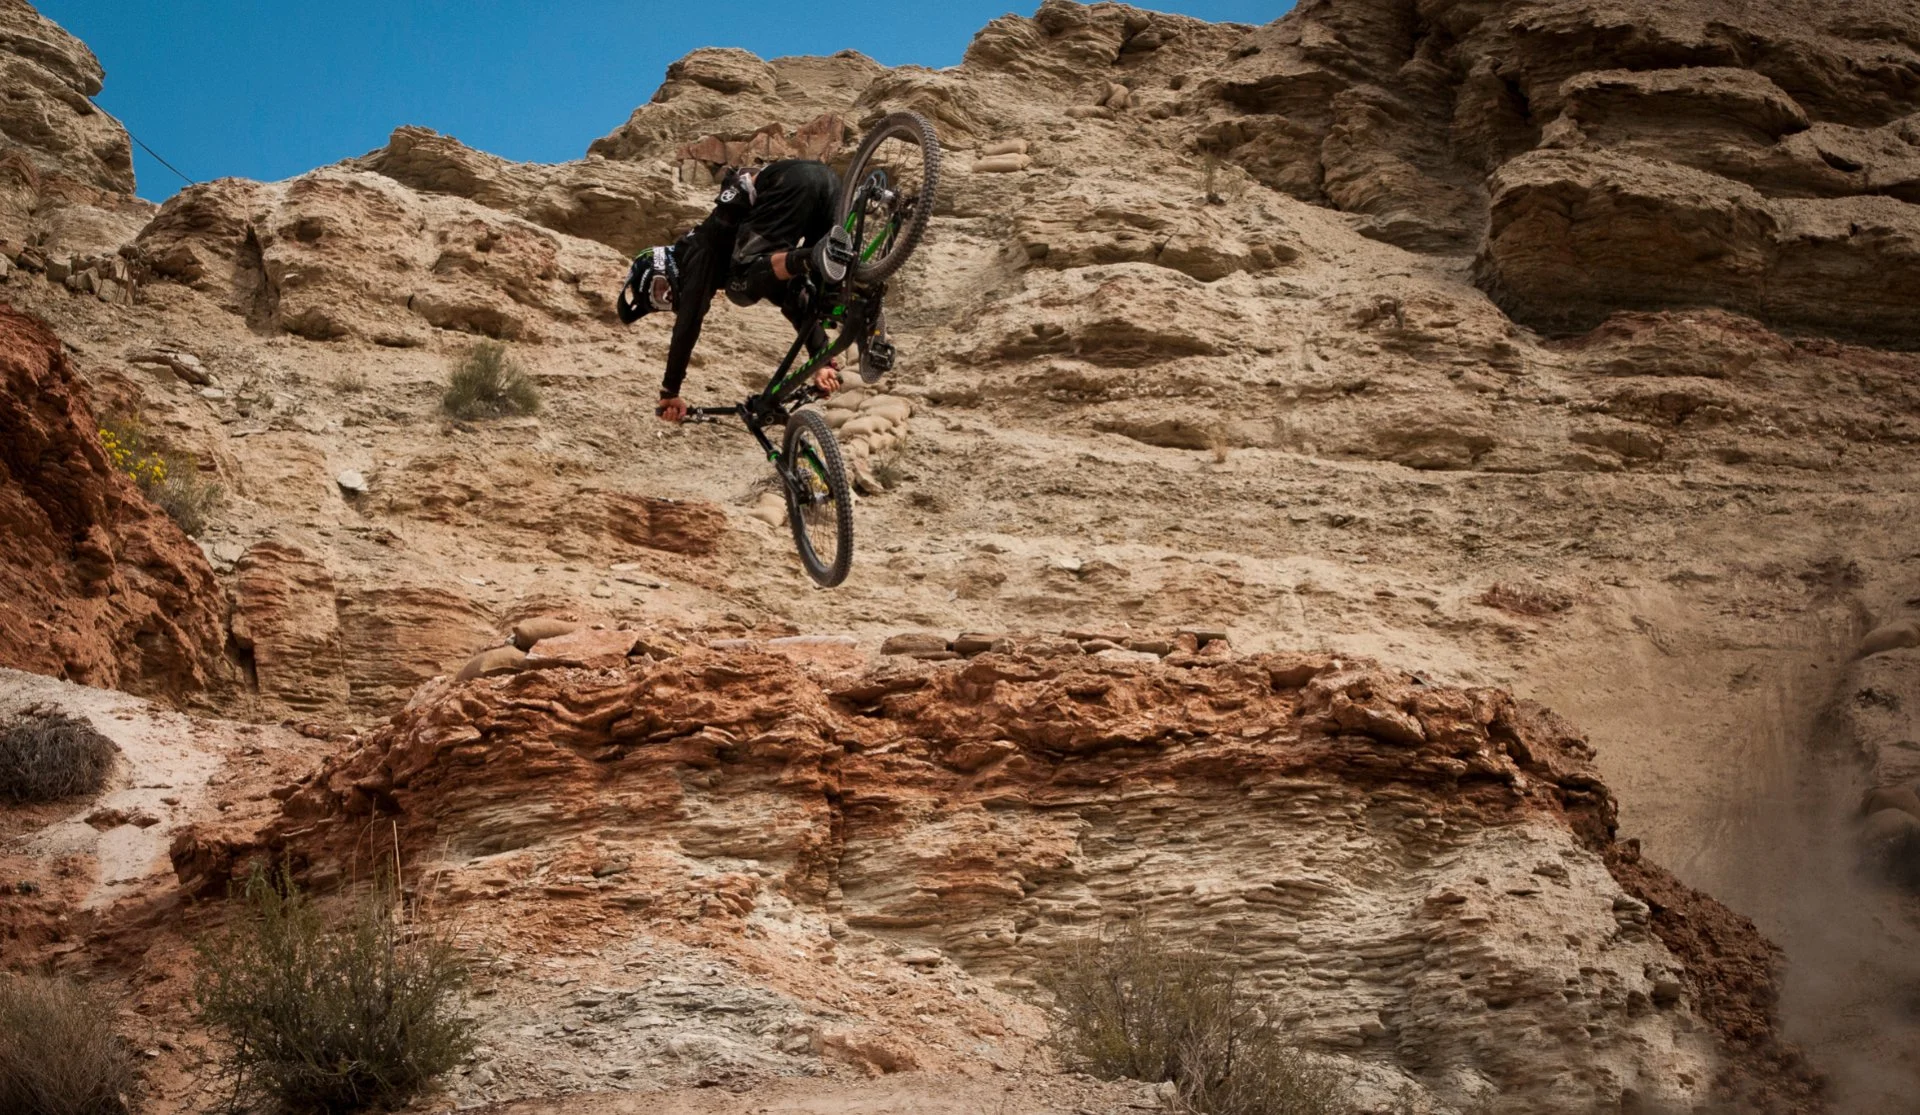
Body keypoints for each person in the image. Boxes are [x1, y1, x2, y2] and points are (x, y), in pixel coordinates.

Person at [617, 159, 851, 424]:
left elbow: (688, 323)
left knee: (739, 289)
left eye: (661, 288)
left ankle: (815, 256)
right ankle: (866, 303)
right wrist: (822, 362)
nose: (670, 296)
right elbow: (796, 306)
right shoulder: (753, 264)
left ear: (661, 262)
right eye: (662, 301)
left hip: (788, 182)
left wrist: (670, 391)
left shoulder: (696, 252)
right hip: (828, 182)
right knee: (812, 295)